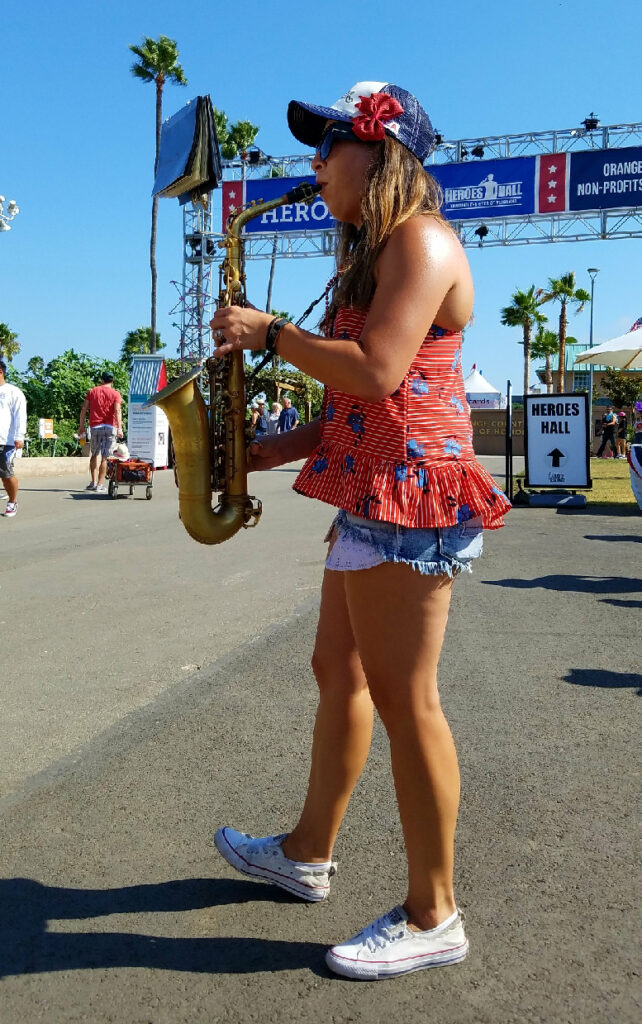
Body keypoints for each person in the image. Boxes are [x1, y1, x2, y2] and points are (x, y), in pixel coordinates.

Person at [210, 80, 511, 981]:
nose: (312, 164)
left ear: (380, 153)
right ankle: (306, 852)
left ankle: (435, 913)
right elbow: (355, 404)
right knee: (336, 671)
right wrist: (266, 450)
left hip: (412, 501)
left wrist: (269, 336)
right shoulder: (375, 252)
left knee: (406, 698)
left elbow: (380, 370)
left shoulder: (421, 238)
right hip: (371, 491)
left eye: (328, 145)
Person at [78, 371, 123, 492]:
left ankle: (92, 482)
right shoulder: (116, 394)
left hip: (95, 427)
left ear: (102, 380)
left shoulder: (92, 391)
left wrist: (81, 426)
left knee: (94, 454)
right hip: (110, 427)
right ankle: (99, 485)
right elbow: (117, 411)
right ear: (112, 381)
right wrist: (120, 428)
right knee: (105, 457)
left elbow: (84, 409)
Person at [0, 359, 27, 518]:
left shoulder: (13, 392)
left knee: (6, 474)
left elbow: (20, 416)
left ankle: (12, 501)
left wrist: (19, 437)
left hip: (7, 441)